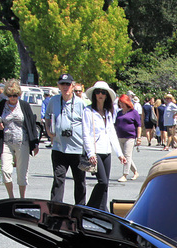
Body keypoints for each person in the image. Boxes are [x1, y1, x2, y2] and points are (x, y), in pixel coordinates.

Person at [44, 73, 88, 205]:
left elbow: (88, 125)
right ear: (58, 86)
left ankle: (80, 210)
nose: (65, 87)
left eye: (68, 84)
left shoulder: (81, 104)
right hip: (59, 147)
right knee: (58, 179)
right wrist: (48, 130)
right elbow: (47, 117)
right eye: (62, 84)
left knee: (79, 181)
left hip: (77, 149)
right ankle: (55, 209)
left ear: (73, 86)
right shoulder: (54, 101)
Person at [82, 81, 125, 210]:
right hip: (96, 151)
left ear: (107, 96)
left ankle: (102, 210)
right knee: (102, 182)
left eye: (103, 92)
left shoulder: (108, 112)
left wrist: (120, 154)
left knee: (105, 185)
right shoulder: (88, 111)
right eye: (98, 92)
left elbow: (112, 133)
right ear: (94, 95)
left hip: (106, 151)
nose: (100, 95)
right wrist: (90, 153)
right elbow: (86, 134)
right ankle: (90, 208)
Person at [0, 80, 38, 199]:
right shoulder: (2, 105)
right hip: (6, 142)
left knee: (22, 172)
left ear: (19, 94)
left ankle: (22, 198)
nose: (12, 98)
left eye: (15, 95)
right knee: (5, 170)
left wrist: (35, 144)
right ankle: (11, 198)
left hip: (22, 142)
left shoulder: (24, 105)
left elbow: (32, 125)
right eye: (9, 95)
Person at [115, 94, 142, 182]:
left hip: (130, 136)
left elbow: (139, 125)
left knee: (127, 155)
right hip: (120, 136)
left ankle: (125, 175)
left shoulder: (134, 112)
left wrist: (138, 137)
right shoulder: (119, 112)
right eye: (120, 103)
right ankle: (135, 172)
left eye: (123, 103)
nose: (121, 105)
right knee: (125, 156)